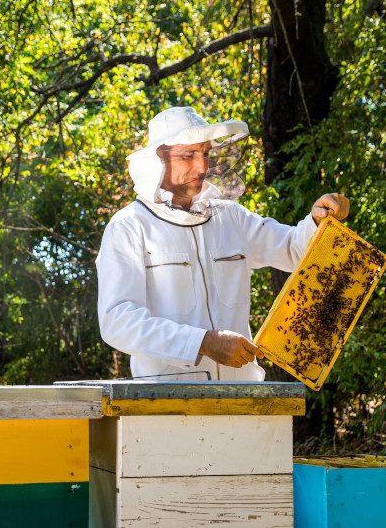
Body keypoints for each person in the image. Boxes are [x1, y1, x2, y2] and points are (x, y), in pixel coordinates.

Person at [96, 107, 349, 381]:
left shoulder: (231, 216)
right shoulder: (129, 226)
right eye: (188, 155)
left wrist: (317, 218)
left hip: (241, 394)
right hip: (167, 402)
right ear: (161, 156)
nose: (202, 166)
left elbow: (293, 250)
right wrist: (202, 342)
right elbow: (118, 321)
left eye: (204, 153)